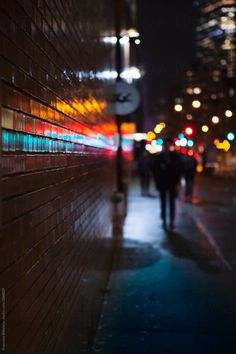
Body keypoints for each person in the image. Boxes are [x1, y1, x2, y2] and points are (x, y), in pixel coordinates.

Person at [153, 139, 182, 229]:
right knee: (164, 201)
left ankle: (170, 220)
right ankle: (164, 218)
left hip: (171, 182)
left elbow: (179, 170)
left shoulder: (175, 157)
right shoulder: (160, 157)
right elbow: (155, 171)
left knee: (171, 202)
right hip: (163, 182)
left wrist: (177, 181)